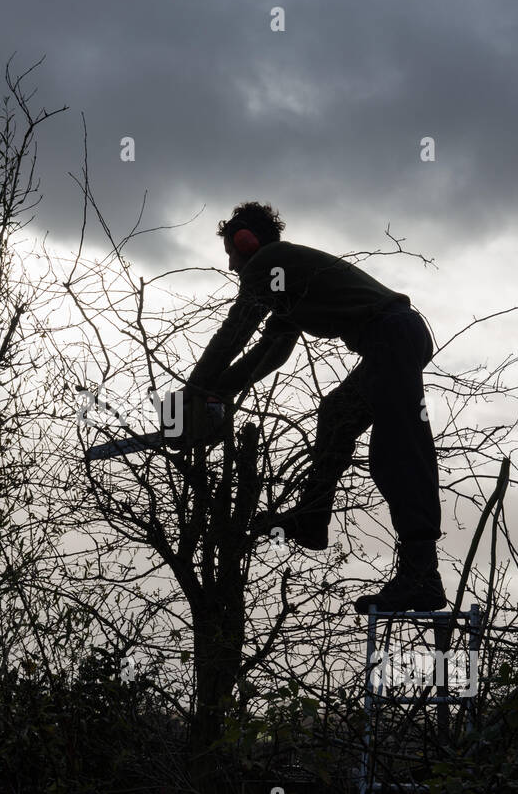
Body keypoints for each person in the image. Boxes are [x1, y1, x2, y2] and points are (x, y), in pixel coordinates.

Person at [184, 201, 446, 613]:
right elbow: (274, 349)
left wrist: (192, 393)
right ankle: (311, 519)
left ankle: (421, 577)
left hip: (392, 337)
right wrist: (221, 389)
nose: (233, 268)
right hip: (393, 339)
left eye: (232, 256)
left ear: (245, 242)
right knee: (338, 414)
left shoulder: (267, 263)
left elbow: (236, 330)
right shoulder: (286, 279)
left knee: (399, 451)